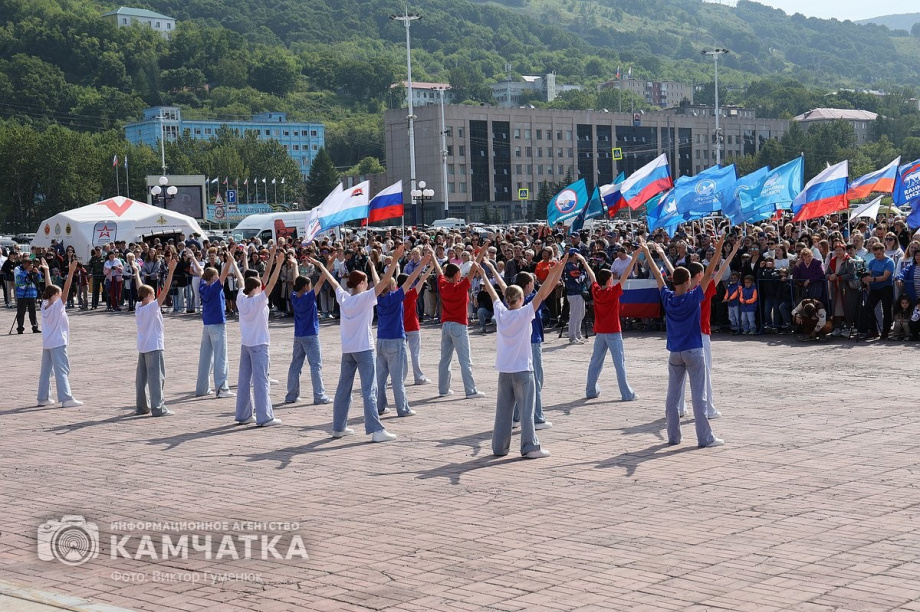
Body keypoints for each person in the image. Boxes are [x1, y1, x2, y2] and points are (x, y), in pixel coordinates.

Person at [476, 252, 569, 459]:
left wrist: (484, 274)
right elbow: (542, 293)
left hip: (504, 370)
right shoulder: (524, 313)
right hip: (523, 370)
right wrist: (554, 271)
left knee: (503, 413)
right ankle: (530, 447)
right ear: (520, 299)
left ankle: (499, 448)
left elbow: (494, 293)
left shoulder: (500, 312)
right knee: (526, 412)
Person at [309, 246, 403, 442]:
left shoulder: (344, 297)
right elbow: (386, 281)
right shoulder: (365, 297)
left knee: (344, 388)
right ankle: (376, 430)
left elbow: (333, 281)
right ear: (361, 283)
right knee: (370, 390)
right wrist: (394, 259)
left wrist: (322, 266)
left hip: (348, 349)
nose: (368, 284)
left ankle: (338, 427)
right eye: (366, 281)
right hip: (364, 348)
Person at [639, 237, 723, 448]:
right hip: (694, 350)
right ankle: (705, 438)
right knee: (698, 397)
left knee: (673, 396)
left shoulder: (667, 297)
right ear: (688, 282)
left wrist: (647, 252)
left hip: (674, 352)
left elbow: (658, 275)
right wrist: (719, 246)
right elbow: (710, 271)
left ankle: (673, 436)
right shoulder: (693, 297)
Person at [375, 251, 431, 417]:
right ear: (392, 286)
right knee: (397, 378)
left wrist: (373, 266)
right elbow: (410, 280)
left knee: (381, 378)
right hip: (395, 339)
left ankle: (380, 406)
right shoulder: (395, 297)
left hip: (381, 339)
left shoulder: (377, 297)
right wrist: (422, 265)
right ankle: (403, 408)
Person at [235, 247, 284, 427]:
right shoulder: (258, 300)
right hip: (259, 344)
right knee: (261, 380)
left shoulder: (241, 298)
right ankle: (265, 417)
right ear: (256, 288)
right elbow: (270, 284)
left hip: (246, 344)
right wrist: (278, 264)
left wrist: (242, 259)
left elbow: (243, 278)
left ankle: (243, 414)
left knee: (244, 380)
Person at [582, 249, 640, 402]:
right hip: (613, 331)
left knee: (595, 362)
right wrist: (634, 258)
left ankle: (590, 390)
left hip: (600, 332)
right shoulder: (613, 291)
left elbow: (592, 276)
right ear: (609, 280)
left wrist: (583, 261)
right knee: (619, 363)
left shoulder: (595, 291)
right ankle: (626, 393)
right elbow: (626, 275)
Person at [432, 246, 488, 399]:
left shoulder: (443, 285)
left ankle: (443, 390)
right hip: (458, 325)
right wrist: (482, 251)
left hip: (446, 325)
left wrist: (432, 256)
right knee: (465, 360)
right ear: (456, 274)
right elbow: (474, 266)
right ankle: (470, 390)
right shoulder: (461, 286)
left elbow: (438, 270)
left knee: (444, 360)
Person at [132, 254, 178, 416]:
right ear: (149, 296)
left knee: (142, 379)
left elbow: (139, 288)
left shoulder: (139, 306)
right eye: (152, 293)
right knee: (156, 378)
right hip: (154, 346)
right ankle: (158, 408)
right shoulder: (152, 307)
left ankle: (141, 407)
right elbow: (165, 290)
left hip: (143, 346)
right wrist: (171, 271)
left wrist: (136, 271)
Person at [190, 247, 238, 398]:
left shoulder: (203, 285)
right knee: (220, 356)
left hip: (207, 324)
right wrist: (230, 257)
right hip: (217, 323)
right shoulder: (214, 287)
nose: (218, 277)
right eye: (216, 276)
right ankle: (222, 388)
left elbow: (200, 270)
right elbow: (223, 275)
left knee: (205, 356)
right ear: (212, 278)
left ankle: (202, 388)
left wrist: (192, 258)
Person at [36, 259, 82, 407]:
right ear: (56, 295)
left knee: (46, 371)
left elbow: (49, 288)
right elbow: (67, 288)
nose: (62, 294)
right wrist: (70, 272)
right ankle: (66, 398)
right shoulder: (57, 306)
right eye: (59, 293)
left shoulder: (44, 304)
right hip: (58, 342)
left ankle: (43, 398)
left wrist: (47, 271)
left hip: (48, 342)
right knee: (62, 369)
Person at [284, 269, 331, 405]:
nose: (310, 287)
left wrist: (293, 265)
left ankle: (291, 395)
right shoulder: (308, 297)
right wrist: (324, 266)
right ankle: (319, 395)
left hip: (298, 335)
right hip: (311, 335)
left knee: (295, 365)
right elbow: (321, 281)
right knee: (316, 366)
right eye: (309, 285)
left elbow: (297, 278)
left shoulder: (294, 297)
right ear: (305, 287)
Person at [400, 250, 435, 386]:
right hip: (413, 326)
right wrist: (431, 267)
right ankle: (418, 377)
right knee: (415, 354)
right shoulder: (411, 293)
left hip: (401, 327)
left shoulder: (395, 294)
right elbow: (421, 280)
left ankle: (400, 378)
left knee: (401, 355)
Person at [859, 244, 895, 340]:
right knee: (867, 308)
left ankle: (885, 331)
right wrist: (866, 281)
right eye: (875, 254)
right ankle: (873, 330)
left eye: (878, 254)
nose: (876, 256)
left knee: (886, 310)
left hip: (886, 287)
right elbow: (870, 273)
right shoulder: (872, 262)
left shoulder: (889, 262)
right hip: (875, 289)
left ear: (883, 251)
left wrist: (872, 279)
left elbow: (885, 277)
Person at [562, 249, 588, 343]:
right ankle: (572, 337)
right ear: (574, 256)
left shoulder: (571, 266)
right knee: (574, 315)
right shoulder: (571, 266)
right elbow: (579, 279)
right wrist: (585, 270)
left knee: (581, 314)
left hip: (577, 293)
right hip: (574, 293)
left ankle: (578, 334)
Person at [14, 258, 41, 334]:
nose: (30, 266)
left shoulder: (32, 270)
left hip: (32, 294)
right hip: (22, 294)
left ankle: (35, 327)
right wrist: (27, 271)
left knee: (33, 312)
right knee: (21, 312)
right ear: (24, 263)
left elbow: (39, 280)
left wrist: (37, 273)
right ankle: (20, 328)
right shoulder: (17, 269)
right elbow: (19, 278)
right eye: (29, 264)